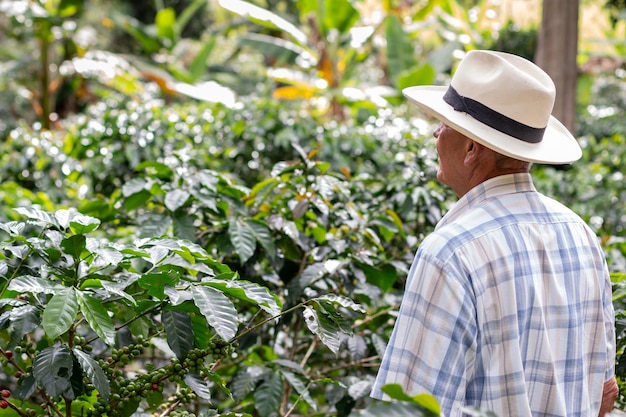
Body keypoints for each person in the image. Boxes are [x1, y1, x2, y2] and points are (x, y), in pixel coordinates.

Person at [370, 50, 618, 417]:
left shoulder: (451, 252)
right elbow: (604, 395)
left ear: (471, 149)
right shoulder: (580, 235)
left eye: (444, 123)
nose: (436, 133)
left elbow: (406, 407)